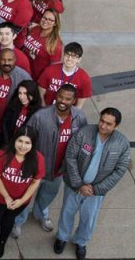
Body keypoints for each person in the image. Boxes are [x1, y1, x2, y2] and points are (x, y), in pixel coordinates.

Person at [55, 107, 131, 260]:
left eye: (108, 124)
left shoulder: (122, 144)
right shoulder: (84, 133)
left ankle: (81, 242)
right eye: (102, 121)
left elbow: (120, 170)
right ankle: (62, 238)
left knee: (89, 218)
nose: (103, 125)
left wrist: (96, 189)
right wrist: (78, 184)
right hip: (74, 186)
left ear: (116, 126)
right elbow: (70, 157)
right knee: (67, 213)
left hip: (95, 192)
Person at [13, 84, 87, 238]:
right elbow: (27, 139)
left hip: (59, 170)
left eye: (68, 99)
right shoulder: (40, 116)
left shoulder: (79, 118)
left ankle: (40, 214)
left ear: (74, 101)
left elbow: (82, 141)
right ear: (56, 96)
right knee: (25, 196)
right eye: (60, 97)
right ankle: (18, 221)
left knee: (48, 195)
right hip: (36, 168)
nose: (63, 101)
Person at [0, 127, 44, 259]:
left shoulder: (38, 158)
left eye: (27, 142)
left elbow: (35, 182)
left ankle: (1, 242)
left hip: (20, 200)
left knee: (8, 220)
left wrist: (22, 200)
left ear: (33, 144)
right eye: (20, 141)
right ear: (14, 140)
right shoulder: (3, 154)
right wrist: (6, 196)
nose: (23, 146)